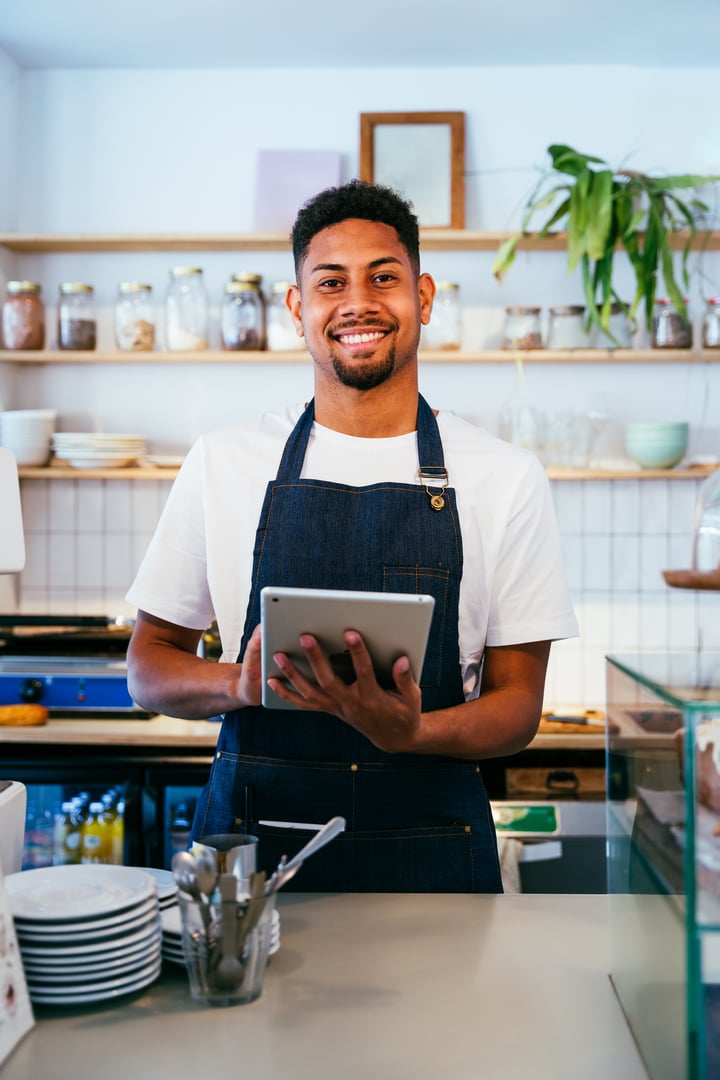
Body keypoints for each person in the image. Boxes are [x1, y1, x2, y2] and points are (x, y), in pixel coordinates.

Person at [125, 179, 578, 892]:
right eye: (331, 282)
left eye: (384, 278)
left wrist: (416, 732)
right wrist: (238, 683)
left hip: (434, 868)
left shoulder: (504, 476)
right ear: (299, 308)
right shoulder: (224, 461)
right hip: (256, 869)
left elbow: (518, 708)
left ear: (422, 298)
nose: (358, 303)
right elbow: (147, 667)